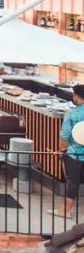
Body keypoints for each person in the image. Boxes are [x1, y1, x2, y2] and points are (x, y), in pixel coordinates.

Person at [53, 85, 84, 218]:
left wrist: (62, 151)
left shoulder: (71, 114)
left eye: (73, 95)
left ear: (77, 96)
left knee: (72, 182)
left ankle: (66, 210)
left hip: (74, 153)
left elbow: (64, 136)